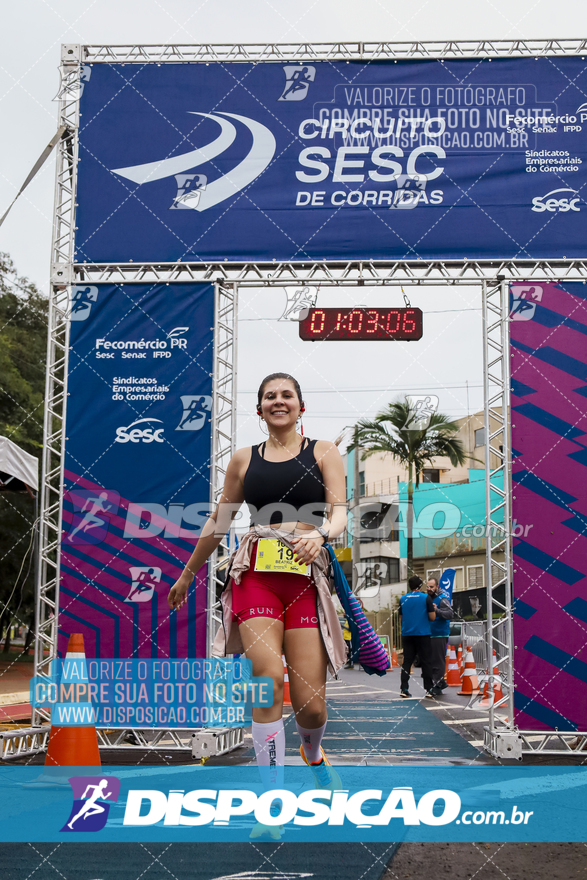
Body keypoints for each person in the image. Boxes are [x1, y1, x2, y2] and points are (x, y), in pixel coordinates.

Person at [168, 372, 349, 838]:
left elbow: (341, 514)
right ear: (259, 408)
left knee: (311, 708)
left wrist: (320, 534)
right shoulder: (244, 460)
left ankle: (313, 752)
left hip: (305, 583)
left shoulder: (325, 452)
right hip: (255, 580)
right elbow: (218, 520)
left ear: (300, 406)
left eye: (287, 394)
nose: (278, 401)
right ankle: (271, 804)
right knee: (265, 680)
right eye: (270, 396)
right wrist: (189, 573)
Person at [398, 575, 435, 698]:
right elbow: (432, 617)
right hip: (423, 634)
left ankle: (404, 688)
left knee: (407, 661)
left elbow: (401, 618)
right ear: (420, 586)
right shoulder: (426, 598)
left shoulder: (403, 599)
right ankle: (429, 689)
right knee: (426, 662)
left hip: (407, 634)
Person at [427, 576, 454, 696]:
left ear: (437, 587)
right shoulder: (427, 598)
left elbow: (450, 613)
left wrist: (437, 611)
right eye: (427, 586)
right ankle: (440, 682)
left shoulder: (443, 599)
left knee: (438, 660)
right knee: (431, 660)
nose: (429, 589)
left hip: (439, 634)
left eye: (431, 587)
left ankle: (437, 684)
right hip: (429, 633)